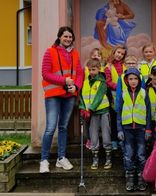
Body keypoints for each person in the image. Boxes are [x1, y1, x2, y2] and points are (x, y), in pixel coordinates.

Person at [40, 26, 84, 173]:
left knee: (63, 127)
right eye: (65, 36)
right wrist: (64, 81)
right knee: (50, 128)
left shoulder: (75, 54)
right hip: (53, 95)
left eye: (70, 37)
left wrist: (76, 87)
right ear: (59, 37)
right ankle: (44, 160)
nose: (68, 39)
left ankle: (61, 158)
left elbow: (79, 74)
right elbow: (45, 74)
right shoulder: (50, 52)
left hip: (69, 95)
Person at [117, 67, 152, 191]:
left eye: (135, 78)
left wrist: (148, 129)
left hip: (140, 129)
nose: (133, 81)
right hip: (127, 130)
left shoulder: (143, 93)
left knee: (141, 155)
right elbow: (119, 112)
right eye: (130, 79)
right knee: (128, 154)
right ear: (126, 80)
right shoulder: (124, 94)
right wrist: (119, 129)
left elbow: (148, 112)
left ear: (139, 80)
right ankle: (130, 179)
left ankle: (142, 178)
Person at [79, 59, 112, 170]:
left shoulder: (102, 82)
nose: (92, 72)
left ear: (99, 69)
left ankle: (108, 158)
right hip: (91, 114)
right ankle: (95, 159)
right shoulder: (85, 82)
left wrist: (91, 109)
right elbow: (81, 96)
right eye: (90, 70)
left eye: (94, 69)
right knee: (93, 135)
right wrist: (83, 108)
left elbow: (98, 96)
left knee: (106, 135)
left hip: (102, 111)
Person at [104, 45, 127, 150]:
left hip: (124, 95)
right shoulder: (108, 67)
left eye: (122, 54)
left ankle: (122, 140)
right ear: (114, 52)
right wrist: (118, 87)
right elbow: (108, 81)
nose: (120, 55)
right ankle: (114, 141)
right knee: (113, 119)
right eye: (118, 52)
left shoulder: (124, 66)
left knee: (123, 118)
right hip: (113, 96)